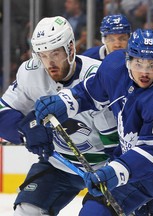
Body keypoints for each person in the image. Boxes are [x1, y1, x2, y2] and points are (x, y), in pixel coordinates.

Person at [34, 28, 153, 215]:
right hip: (130, 165)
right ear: (128, 59)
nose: (144, 73)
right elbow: (90, 92)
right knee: (93, 212)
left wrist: (113, 172)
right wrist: (65, 102)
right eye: (138, 63)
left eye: (152, 65)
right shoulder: (114, 66)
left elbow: (151, 152)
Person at [0, 16, 119, 215]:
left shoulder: (98, 76)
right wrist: (26, 132)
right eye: (43, 55)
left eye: (55, 53)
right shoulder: (31, 73)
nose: (49, 63)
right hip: (59, 164)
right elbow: (3, 114)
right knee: (26, 211)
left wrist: (116, 172)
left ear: (71, 48)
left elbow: (119, 136)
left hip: (105, 167)